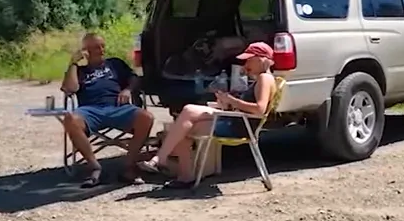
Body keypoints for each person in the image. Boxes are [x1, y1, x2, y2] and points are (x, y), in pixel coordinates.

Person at [137, 41, 276, 188]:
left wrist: (232, 101)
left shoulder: (264, 78)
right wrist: (227, 103)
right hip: (237, 120)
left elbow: (259, 109)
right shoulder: (263, 78)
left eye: (249, 60)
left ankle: (168, 164)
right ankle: (171, 166)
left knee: (184, 122)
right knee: (184, 120)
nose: (246, 64)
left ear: (260, 60)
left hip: (239, 126)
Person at [59, 33, 154, 187]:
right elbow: (70, 88)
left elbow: (135, 78)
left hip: (118, 107)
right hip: (90, 110)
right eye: (97, 47)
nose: (102, 50)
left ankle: (128, 166)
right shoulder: (80, 71)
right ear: (86, 50)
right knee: (71, 119)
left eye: (103, 46)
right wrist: (73, 64)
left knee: (146, 117)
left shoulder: (115, 64)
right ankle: (95, 167)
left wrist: (128, 90)